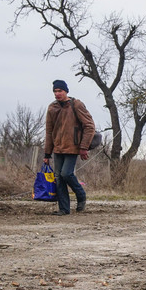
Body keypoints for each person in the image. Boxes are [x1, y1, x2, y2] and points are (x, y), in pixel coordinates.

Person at [43, 79, 95, 215]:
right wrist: (47, 154)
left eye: (59, 91)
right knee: (59, 177)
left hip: (73, 147)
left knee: (66, 174)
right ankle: (64, 209)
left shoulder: (76, 104)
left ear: (66, 91)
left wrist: (84, 147)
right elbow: (49, 131)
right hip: (57, 148)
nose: (57, 94)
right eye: (55, 91)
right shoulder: (52, 108)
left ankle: (81, 194)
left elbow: (89, 126)